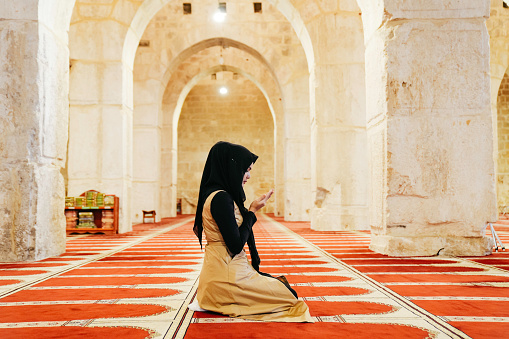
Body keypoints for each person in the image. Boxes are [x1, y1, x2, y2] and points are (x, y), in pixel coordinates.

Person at [189, 141, 313, 322]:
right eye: (245, 170)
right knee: (289, 297)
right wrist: (252, 212)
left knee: (282, 287)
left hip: (220, 274)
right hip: (227, 278)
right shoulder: (221, 198)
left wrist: (249, 212)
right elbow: (236, 246)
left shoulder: (215, 194)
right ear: (231, 167)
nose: (247, 176)